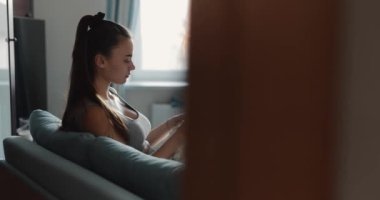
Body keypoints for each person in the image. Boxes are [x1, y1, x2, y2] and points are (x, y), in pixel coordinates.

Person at [60, 12, 186, 160]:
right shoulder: (94, 114)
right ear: (101, 61)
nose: (132, 67)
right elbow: (136, 169)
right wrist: (180, 136)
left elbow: (138, 146)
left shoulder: (111, 94)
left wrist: (170, 124)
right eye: (126, 60)